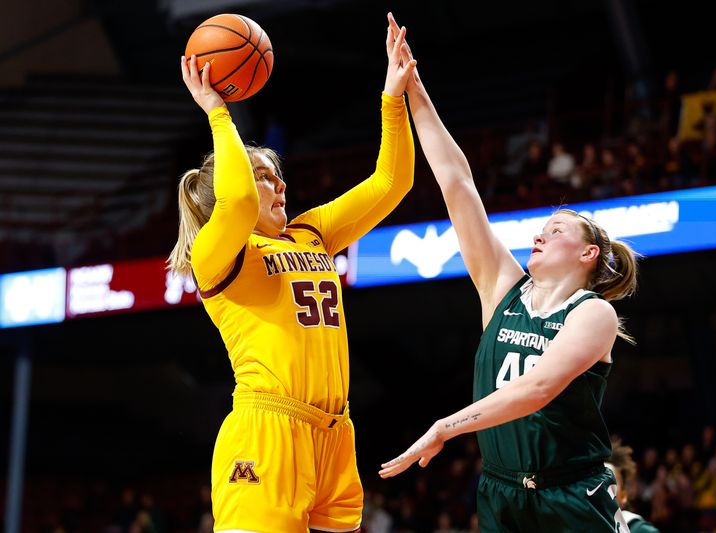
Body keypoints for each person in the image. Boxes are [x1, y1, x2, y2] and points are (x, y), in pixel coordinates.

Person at [379, 14, 639, 532]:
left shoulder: (594, 314)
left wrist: (444, 428)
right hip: (500, 490)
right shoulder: (502, 286)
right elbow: (457, 183)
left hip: (569, 492)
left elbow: (538, 389)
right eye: (541, 227)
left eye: (558, 230)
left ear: (588, 255)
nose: (540, 234)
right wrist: (413, 90)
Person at [167, 19, 416, 533]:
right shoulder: (218, 253)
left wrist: (393, 98)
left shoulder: (311, 234)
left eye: (279, 174)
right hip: (266, 431)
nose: (279, 184)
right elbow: (235, 200)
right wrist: (218, 110)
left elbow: (392, 182)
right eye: (263, 175)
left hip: (334, 434)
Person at [606, 437, 661, 533]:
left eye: (609, 482)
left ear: (623, 496)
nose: (601, 487)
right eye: (595, 482)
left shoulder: (638, 529)